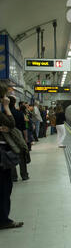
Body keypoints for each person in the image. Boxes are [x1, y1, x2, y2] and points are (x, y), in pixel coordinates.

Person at [0, 81, 23, 229]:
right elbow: (11, 123)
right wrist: (7, 107)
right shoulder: (2, 110)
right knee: (4, 188)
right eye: (5, 96)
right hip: (1, 155)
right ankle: (4, 220)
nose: (7, 98)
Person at [8, 96, 29, 181]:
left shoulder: (3, 113)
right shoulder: (19, 113)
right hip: (19, 137)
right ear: (14, 103)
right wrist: (26, 137)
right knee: (22, 157)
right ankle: (24, 175)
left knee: (10, 156)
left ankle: (14, 176)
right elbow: (24, 127)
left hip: (8, 139)